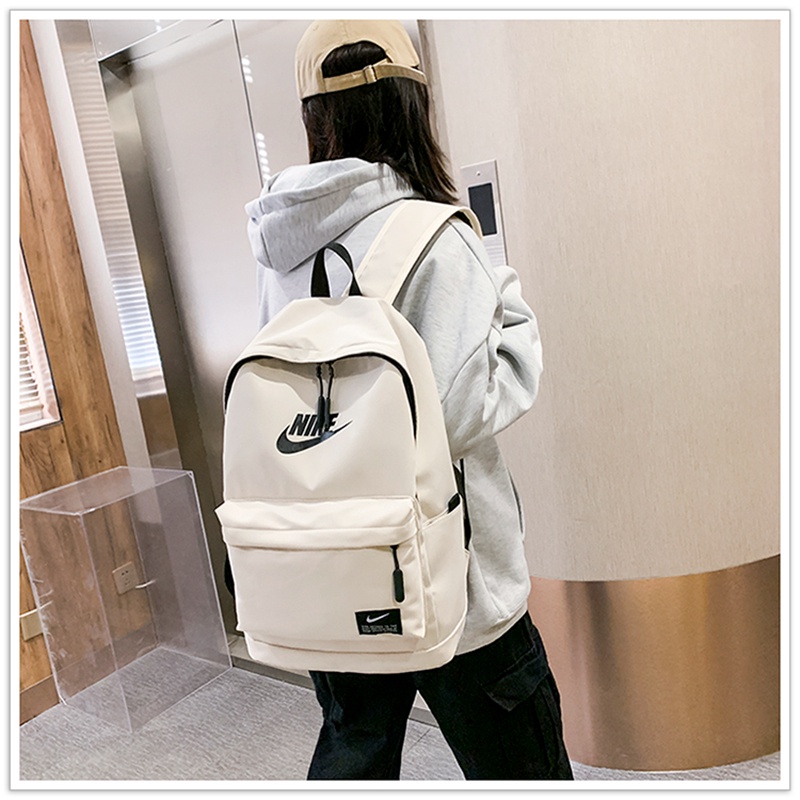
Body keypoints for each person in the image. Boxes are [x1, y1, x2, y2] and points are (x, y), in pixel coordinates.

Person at [244, 19, 573, 781]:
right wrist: (506, 303)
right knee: (522, 767)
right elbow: (460, 412)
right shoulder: (434, 233)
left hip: (334, 567)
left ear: (314, 115)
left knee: (354, 757)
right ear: (412, 104)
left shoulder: (279, 242)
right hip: (452, 575)